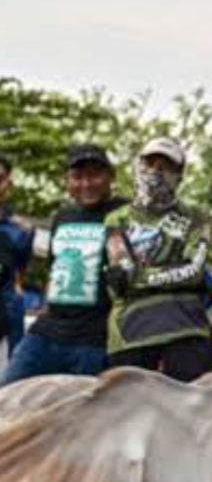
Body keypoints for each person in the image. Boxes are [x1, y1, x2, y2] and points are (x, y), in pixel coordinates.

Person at [1, 144, 126, 385]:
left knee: (81, 406)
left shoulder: (125, 213)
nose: (86, 184)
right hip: (46, 333)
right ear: (66, 181)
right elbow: (54, 269)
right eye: (77, 176)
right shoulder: (62, 217)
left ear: (111, 176)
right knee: (8, 393)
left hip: (94, 339)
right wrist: (44, 309)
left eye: (94, 175)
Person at [103, 137, 212, 382]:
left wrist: (141, 277)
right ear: (138, 165)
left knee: (190, 403)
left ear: (179, 176)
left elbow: (194, 271)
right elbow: (121, 277)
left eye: (166, 166)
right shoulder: (116, 219)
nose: (155, 171)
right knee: (127, 405)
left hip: (186, 328)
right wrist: (170, 273)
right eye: (150, 163)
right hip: (129, 331)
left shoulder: (196, 217)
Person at [0, 154, 34, 369]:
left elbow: (20, 271)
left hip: (8, 304)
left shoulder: (22, 229)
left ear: (8, 183)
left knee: (13, 369)